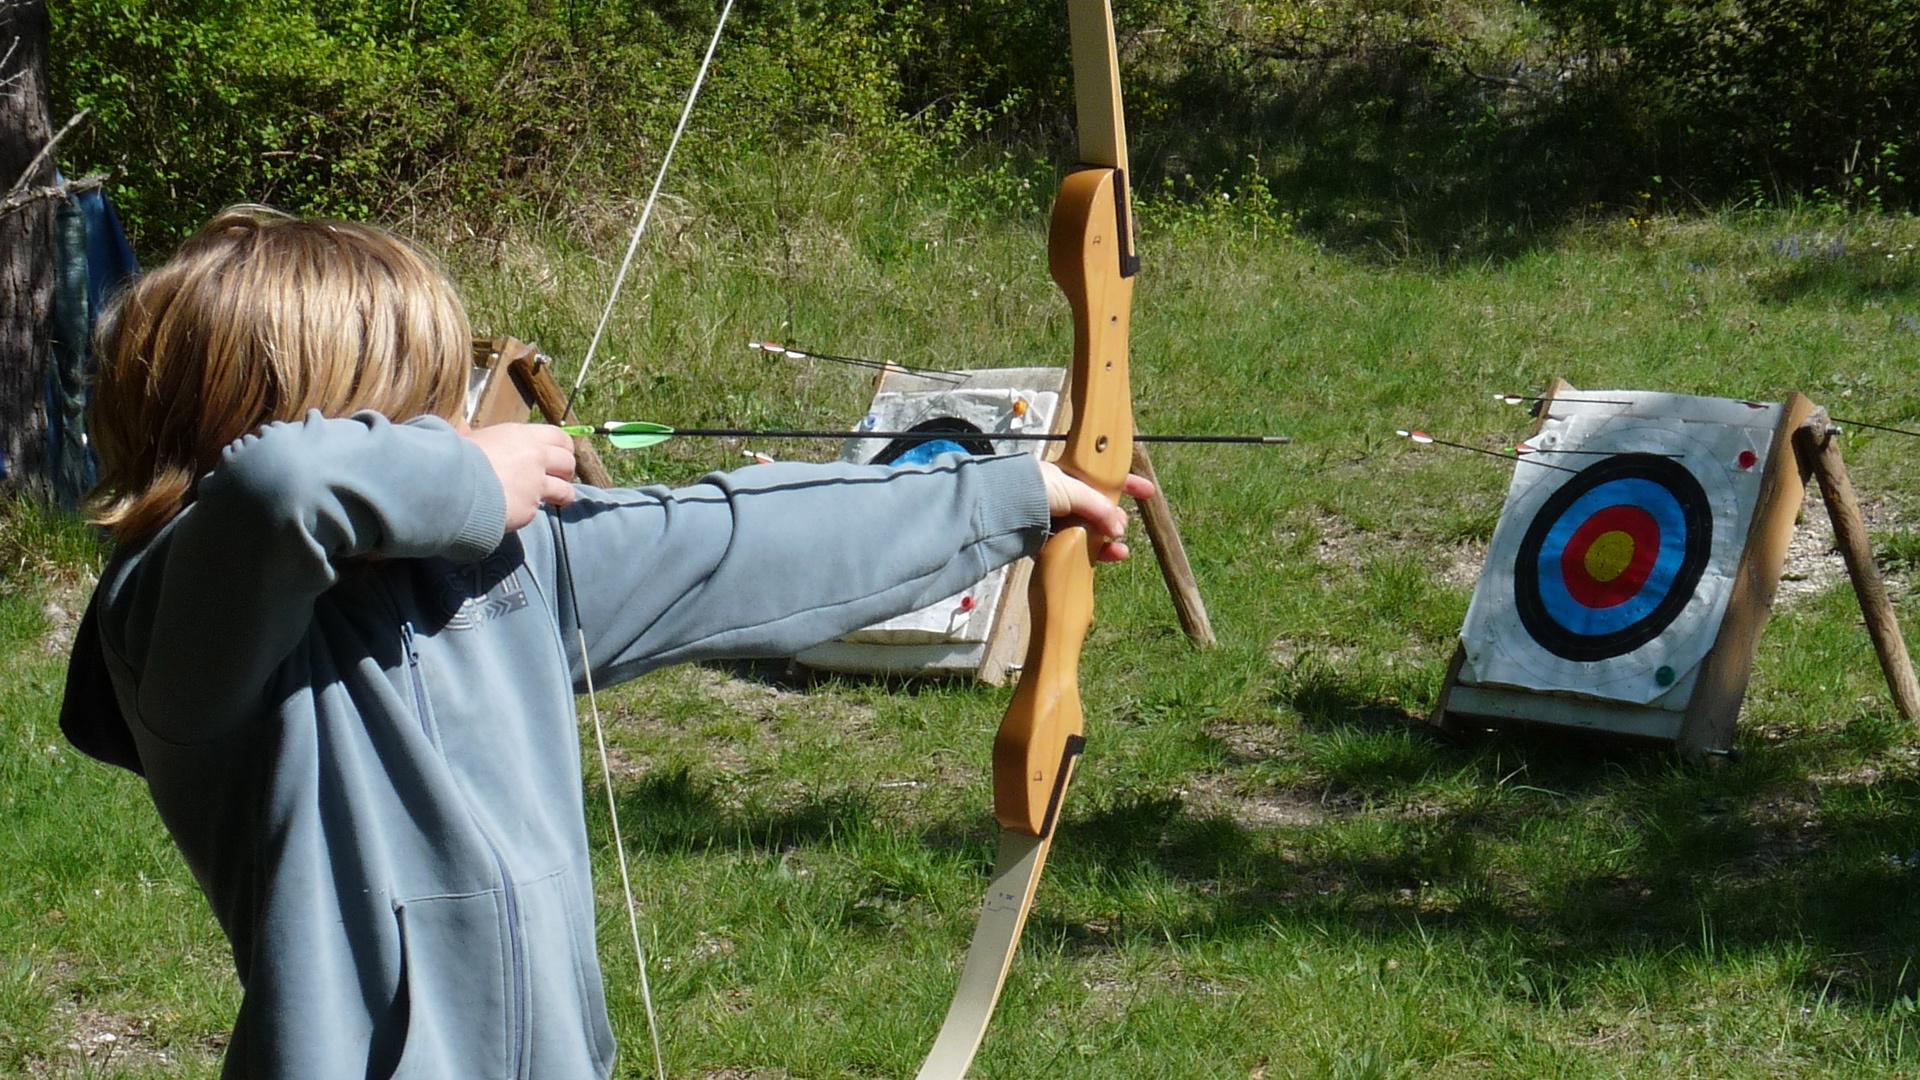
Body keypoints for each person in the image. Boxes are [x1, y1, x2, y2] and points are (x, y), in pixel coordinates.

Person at [56, 206, 1150, 1079]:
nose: (457, 424)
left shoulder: (500, 571)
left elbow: (743, 539)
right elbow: (282, 491)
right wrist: (471, 478)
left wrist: (1009, 493)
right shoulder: (182, 628)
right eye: (420, 412)